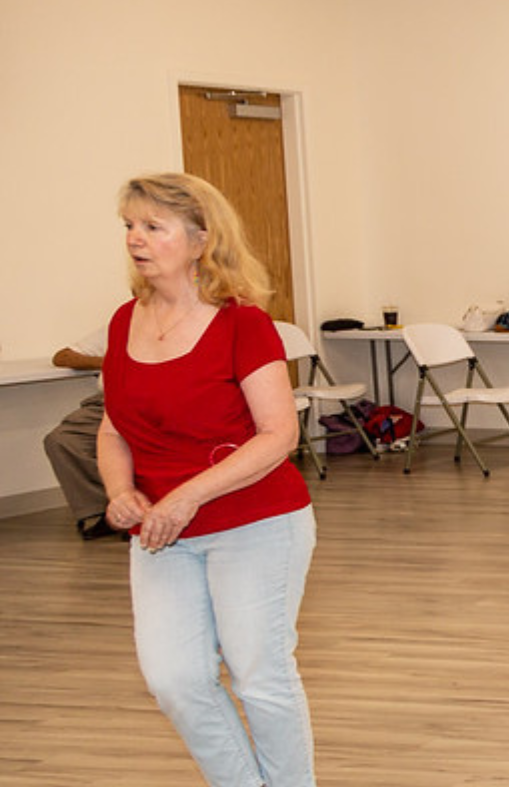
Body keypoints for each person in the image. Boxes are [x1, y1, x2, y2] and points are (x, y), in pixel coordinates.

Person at [99, 172, 320, 786]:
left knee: (259, 675)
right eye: (130, 226)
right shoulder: (124, 322)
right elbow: (113, 428)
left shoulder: (244, 324)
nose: (136, 240)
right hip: (161, 533)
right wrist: (121, 492)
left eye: (152, 226)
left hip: (256, 523)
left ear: (200, 240)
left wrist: (187, 495)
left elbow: (278, 434)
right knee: (175, 679)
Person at [44, 326, 114, 540]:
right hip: (107, 402)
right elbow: (62, 357)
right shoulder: (121, 323)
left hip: (153, 403)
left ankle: (134, 510)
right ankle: (105, 511)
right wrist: (110, 361)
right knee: (62, 440)